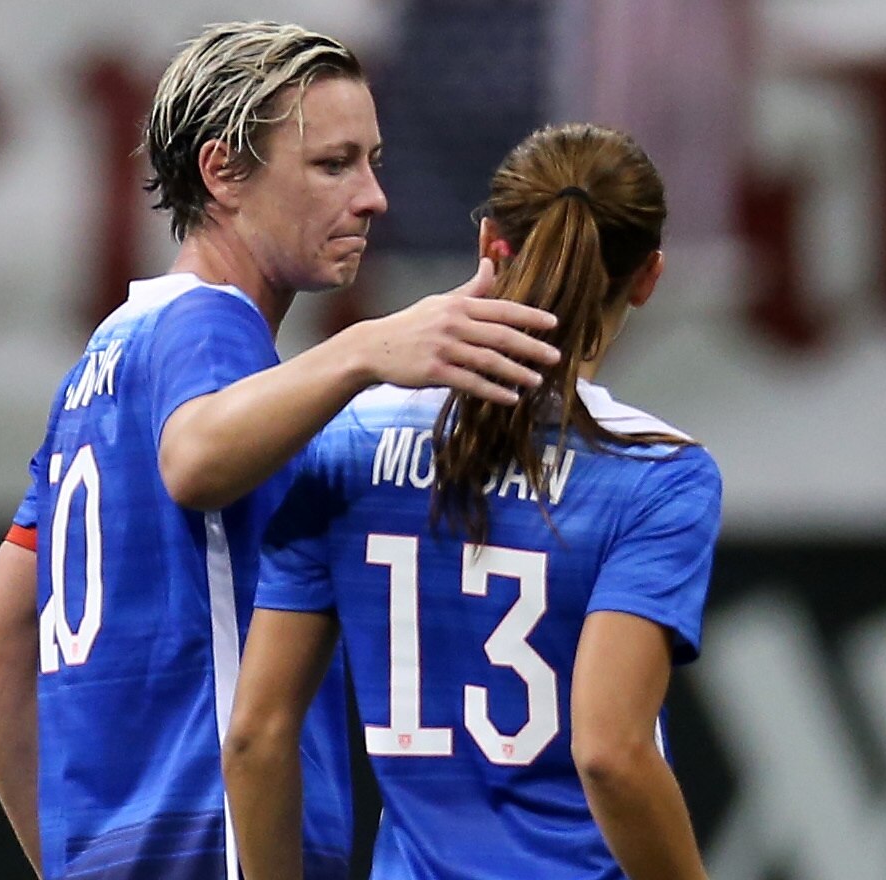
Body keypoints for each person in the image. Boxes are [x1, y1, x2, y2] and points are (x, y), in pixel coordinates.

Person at [0, 20, 561, 880]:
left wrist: (71, 863)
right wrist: (362, 351)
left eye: (373, 161)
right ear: (223, 171)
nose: (372, 197)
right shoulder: (214, 328)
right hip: (226, 845)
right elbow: (196, 460)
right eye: (332, 164)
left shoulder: (107, 357)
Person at [223, 122, 722, 880]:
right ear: (649, 276)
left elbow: (256, 736)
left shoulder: (347, 440)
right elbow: (611, 752)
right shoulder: (656, 473)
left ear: (490, 242)